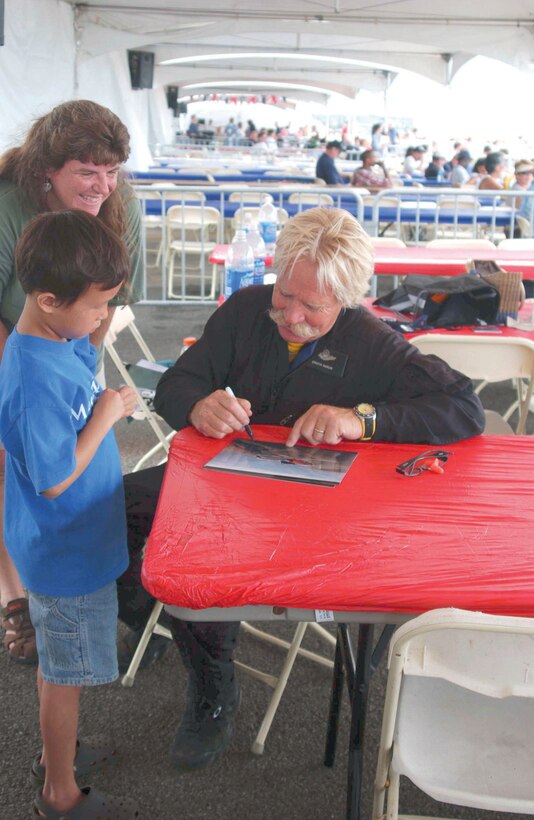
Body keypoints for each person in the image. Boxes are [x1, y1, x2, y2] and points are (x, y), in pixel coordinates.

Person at [116, 207, 485, 774]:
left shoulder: (371, 340)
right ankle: (165, 625)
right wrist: (197, 404)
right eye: (285, 295)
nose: (290, 315)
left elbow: (464, 407)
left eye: (311, 307)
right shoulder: (244, 310)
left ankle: (212, 686)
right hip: (231, 479)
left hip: (318, 507)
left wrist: (361, 420)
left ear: (346, 299)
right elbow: (177, 382)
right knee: (112, 512)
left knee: (207, 554)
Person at [0, 210, 138, 818]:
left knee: (66, 664)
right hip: (65, 553)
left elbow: (84, 360)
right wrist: (107, 417)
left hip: (77, 540)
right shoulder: (32, 375)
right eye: (97, 306)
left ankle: (58, 757)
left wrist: (92, 335)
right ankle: (60, 791)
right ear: (48, 299)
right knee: (63, 673)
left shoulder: (61, 336)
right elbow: (54, 479)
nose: (104, 319)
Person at [0, 99, 144, 665]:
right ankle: (17, 601)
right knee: (15, 461)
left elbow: (111, 297)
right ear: (47, 173)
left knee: (80, 450)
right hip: (17, 338)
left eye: (111, 171)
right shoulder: (9, 203)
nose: (102, 186)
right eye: (87, 172)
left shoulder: (119, 200)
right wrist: (20, 376)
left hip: (73, 338)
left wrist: (82, 365)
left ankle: (82, 581)